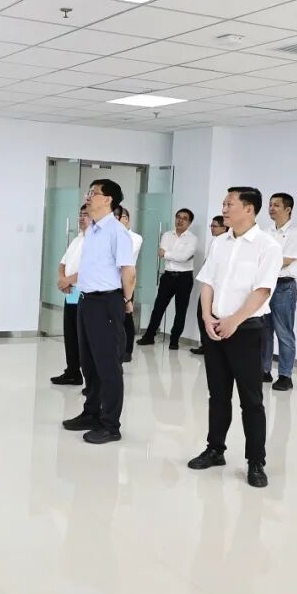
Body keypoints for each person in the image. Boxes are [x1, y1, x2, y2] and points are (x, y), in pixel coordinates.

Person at [187, 187, 282, 488]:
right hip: (215, 327)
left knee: (251, 400)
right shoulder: (220, 242)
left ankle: (256, 462)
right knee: (217, 395)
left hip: (247, 330)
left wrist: (234, 321)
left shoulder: (268, 246)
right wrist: (206, 316)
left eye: (229, 204)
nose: (224, 209)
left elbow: (262, 291)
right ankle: (215, 449)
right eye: (224, 204)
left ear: (249, 209)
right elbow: (207, 282)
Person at [61, 179, 136, 445]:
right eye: (88, 192)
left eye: (93, 193)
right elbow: (93, 267)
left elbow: (128, 271)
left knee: (108, 366)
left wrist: (126, 300)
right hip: (87, 301)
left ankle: (110, 424)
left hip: (107, 303)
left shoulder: (117, 232)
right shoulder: (92, 230)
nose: (88, 196)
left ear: (108, 200)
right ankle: (91, 413)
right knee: (89, 363)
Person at [262, 193, 297, 391]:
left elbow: (287, 260)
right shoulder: (265, 232)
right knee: (264, 331)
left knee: (284, 332)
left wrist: (266, 262)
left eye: (276, 205)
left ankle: (285, 376)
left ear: (288, 209)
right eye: (270, 205)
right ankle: (264, 370)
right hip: (265, 285)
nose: (271, 208)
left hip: (284, 286)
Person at [137, 209, 198, 349]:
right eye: (178, 217)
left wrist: (167, 254)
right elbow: (162, 252)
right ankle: (149, 336)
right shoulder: (166, 235)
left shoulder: (192, 239)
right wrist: (174, 255)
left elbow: (183, 257)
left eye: (184, 218)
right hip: (168, 276)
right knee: (158, 307)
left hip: (184, 278)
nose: (180, 220)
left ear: (189, 222)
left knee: (181, 310)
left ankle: (174, 340)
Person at [51, 205, 90, 385]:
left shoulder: (94, 241)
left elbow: (90, 270)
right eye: (80, 214)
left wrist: (67, 280)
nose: (81, 217)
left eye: (86, 214)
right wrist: (63, 280)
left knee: (83, 336)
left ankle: (88, 375)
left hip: (85, 293)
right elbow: (62, 263)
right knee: (70, 333)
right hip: (71, 292)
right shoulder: (77, 239)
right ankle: (72, 371)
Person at [191, 215, 228, 356]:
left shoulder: (225, 242)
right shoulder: (214, 241)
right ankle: (206, 345)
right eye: (211, 226)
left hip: (218, 287)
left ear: (224, 228)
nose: (212, 228)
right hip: (209, 283)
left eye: (215, 226)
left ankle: (212, 346)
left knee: (213, 315)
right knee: (202, 314)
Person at [116, 206, 143, 363]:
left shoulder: (135, 238)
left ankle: (128, 350)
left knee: (127, 316)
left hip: (126, 281)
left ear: (127, 219)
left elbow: (123, 256)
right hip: (111, 281)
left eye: (121, 217)